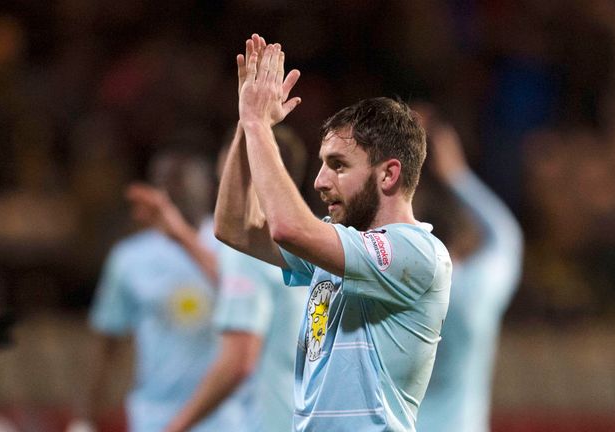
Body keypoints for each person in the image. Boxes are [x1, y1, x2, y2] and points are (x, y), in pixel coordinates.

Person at [215, 35, 452, 431]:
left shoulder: (418, 253)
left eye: (338, 165)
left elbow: (288, 227)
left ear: (389, 174)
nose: (320, 181)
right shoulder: (341, 245)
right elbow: (234, 228)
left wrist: (259, 127)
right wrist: (246, 122)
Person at [83, 151, 248, 432]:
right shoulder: (130, 257)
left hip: (227, 416)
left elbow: (244, 293)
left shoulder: (235, 246)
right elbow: (107, 340)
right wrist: (87, 415)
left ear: (208, 187)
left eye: (182, 183)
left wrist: (182, 237)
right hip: (155, 416)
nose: (171, 194)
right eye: (162, 185)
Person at [162, 124, 309, 432]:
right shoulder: (303, 244)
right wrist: (185, 238)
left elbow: (238, 363)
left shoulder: (247, 253)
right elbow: (244, 286)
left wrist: (175, 427)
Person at [412, 107, 524, 432]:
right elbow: (507, 237)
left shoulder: (395, 284)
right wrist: (457, 174)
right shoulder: (477, 288)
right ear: (463, 242)